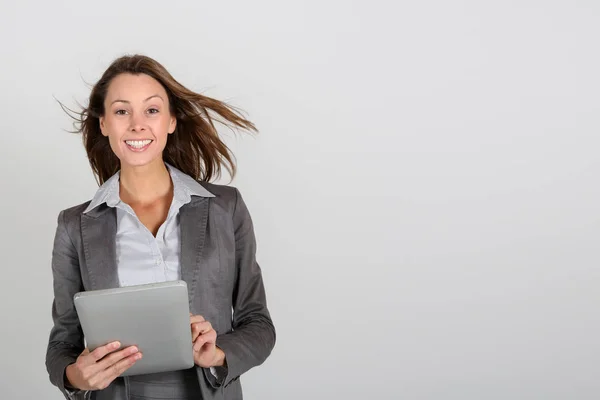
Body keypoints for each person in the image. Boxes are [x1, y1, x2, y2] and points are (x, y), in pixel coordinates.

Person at [45, 54, 276, 400]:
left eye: (151, 110)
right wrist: (76, 376)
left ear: (170, 121)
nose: (137, 125)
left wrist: (217, 355)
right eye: (122, 111)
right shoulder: (73, 226)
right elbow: (62, 341)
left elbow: (258, 324)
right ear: (104, 123)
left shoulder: (226, 209)